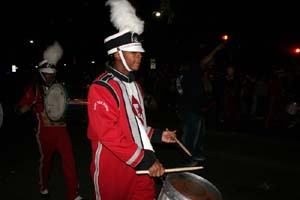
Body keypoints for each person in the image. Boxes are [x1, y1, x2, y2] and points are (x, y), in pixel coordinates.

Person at [87, 1, 177, 199]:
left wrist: (159, 135)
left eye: (140, 52)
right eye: (133, 52)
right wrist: (145, 161)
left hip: (140, 163)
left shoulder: (135, 85)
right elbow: (110, 135)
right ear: (118, 54)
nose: (140, 56)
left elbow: (135, 126)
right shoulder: (101, 88)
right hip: (113, 168)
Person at [16, 41, 87, 200]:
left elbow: (65, 105)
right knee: (46, 161)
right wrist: (25, 107)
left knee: (69, 160)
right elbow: (20, 108)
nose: (49, 76)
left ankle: (73, 194)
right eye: (46, 73)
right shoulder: (34, 89)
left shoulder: (58, 87)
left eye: (51, 73)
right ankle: (43, 185)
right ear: (41, 73)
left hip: (61, 130)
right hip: (44, 132)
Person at [176, 42, 224, 166]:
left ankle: (195, 154)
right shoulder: (192, 72)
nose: (211, 63)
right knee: (190, 135)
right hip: (190, 109)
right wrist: (216, 49)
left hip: (193, 108)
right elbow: (203, 62)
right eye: (210, 61)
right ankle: (188, 158)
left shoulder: (190, 75)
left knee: (196, 133)